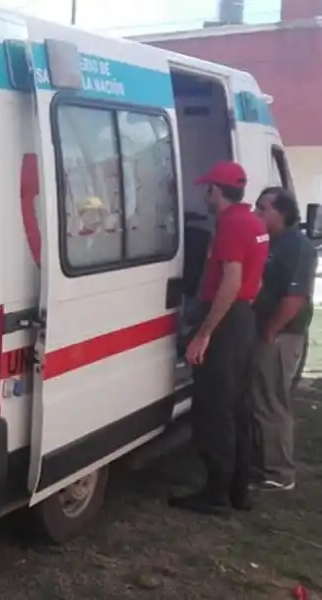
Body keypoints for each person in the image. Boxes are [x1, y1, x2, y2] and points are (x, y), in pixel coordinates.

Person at [172, 160, 269, 516]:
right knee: (239, 407)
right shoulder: (255, 222)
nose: (205, 194)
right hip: (244, 318)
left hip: (227, 321)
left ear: (217, 190)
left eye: (207, 188)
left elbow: (232, 279)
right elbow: (254, 282)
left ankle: (215, 495)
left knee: (216, 409)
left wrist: (205, 333)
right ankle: (238, 491)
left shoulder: (230, 224)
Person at [250, 187, 316, 491]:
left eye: (263, 209)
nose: (257, 213)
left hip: (281, 335)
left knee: (271, 402)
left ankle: (278, 473)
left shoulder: (296, 245)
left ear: (283, 213)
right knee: (260, 398)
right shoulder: (268, 241)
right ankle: (262, 461)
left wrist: (271, 330)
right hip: (266, 330)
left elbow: (294, 297)